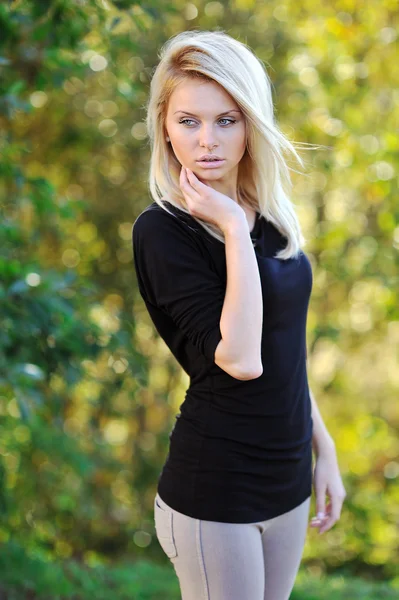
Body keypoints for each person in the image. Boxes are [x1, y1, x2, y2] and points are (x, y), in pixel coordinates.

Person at [132, 29, 346, 600]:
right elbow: (244, 359)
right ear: (164, 126)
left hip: (287, 481)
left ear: (251, 123)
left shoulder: (270, 214)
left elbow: (283, 349)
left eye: (227, 120)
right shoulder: (163, 232)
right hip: (216, 488)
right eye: (189, 121)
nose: (208, 141)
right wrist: (229, 228)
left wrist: (322, 449)